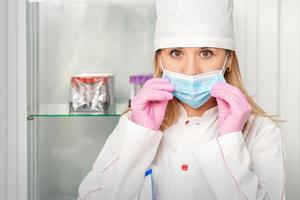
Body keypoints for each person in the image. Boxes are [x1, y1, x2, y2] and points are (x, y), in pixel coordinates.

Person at [77, 0, 287, 199]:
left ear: (228, 59)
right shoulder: (134, 125)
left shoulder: (261, 132)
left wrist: (230, 139)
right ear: (160, 59)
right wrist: (140, 136)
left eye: (206, 53)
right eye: (176, 53)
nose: (191, 70)